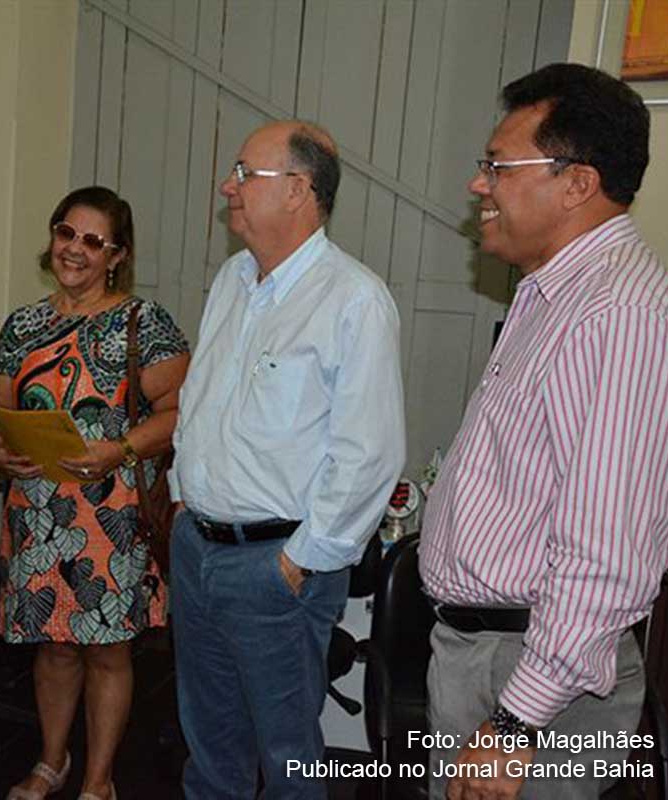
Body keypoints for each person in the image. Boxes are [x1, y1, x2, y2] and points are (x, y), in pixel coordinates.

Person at [419, 63, 668, 800]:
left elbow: (610, 550)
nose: (480, 186)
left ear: (576, 183)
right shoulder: (554, 293)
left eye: (498, 166)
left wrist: (515, 724)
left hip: (539, 678)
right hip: (493, 654)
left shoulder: (619, 316)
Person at [169, 121, 405, 799]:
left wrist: (298, 561)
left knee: (288, 758)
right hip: (199, 550)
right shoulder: (232, 279)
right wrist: (187, 498)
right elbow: (201, 401)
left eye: (245, 173)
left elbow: (370, 455)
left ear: (298, 190)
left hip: (275, 568)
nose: (227, 186)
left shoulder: (353, 300)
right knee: (209, 746)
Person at [0, 186, 190, 800]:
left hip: (112, 511)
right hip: (38, 511)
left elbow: (179, 411)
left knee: (106, 652)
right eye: (66, 233)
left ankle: (99, 780)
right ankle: (52, 762)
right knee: (54, 648)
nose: (74, 249)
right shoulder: (22, 325)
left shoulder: (143, 324)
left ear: (117, 256)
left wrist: (119, 449)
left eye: (93, 241)